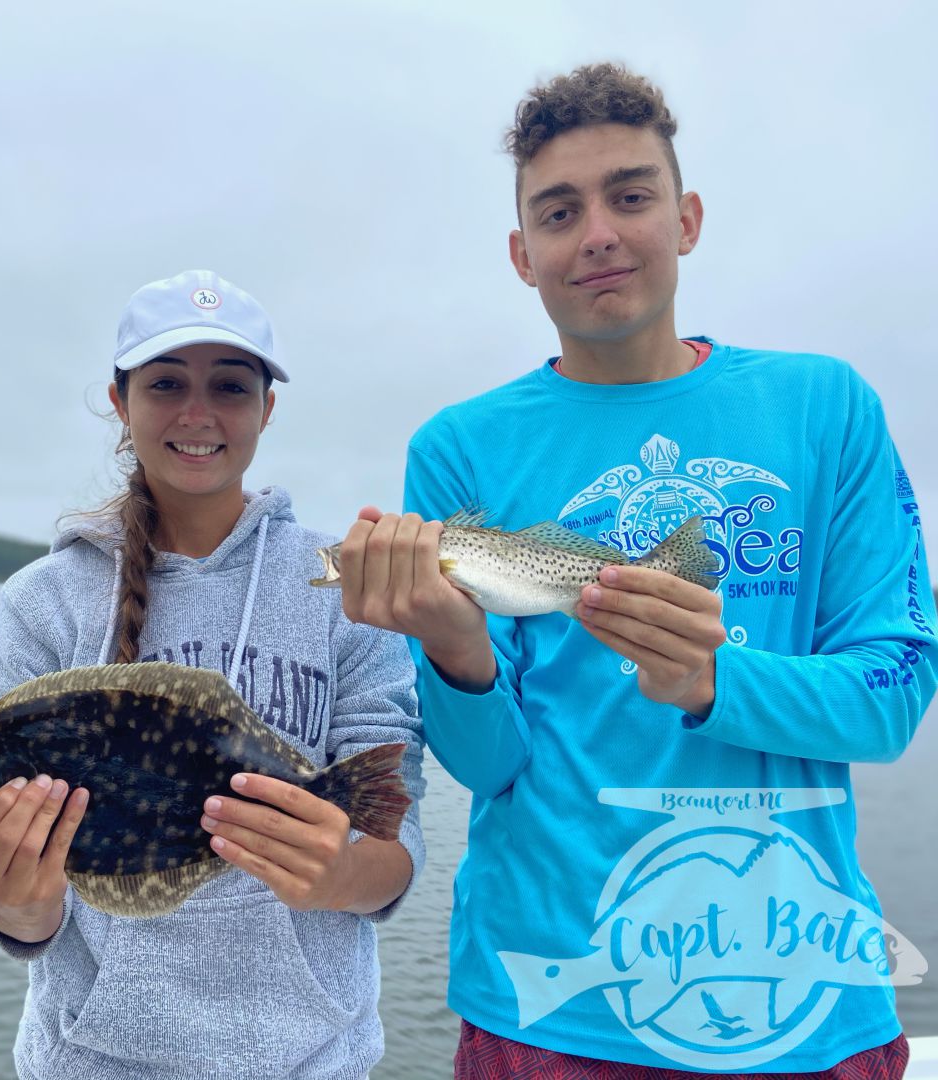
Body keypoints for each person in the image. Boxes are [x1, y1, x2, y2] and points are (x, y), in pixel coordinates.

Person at [337, 65, 936, 1077]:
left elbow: (892, 699)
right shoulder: (459, 446)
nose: (599, 234)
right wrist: (452, 649)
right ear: (523, 256)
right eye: (560, 212)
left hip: (801, 1003)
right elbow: (488, 769)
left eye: (630, 195)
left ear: (688, 217)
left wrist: (716, 681)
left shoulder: (823, 407)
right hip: (547, 998)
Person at [0, 269, 426, 1080]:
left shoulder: (346, 586)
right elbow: (33, 925)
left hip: (313, 1062)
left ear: (267, 408)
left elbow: (393, 850)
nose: (198, 414)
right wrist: (10, 897)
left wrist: (338, 871)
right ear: (120, 401)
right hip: (91, 1060)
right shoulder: (42, 603)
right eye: (166, 383)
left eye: (229, 387)